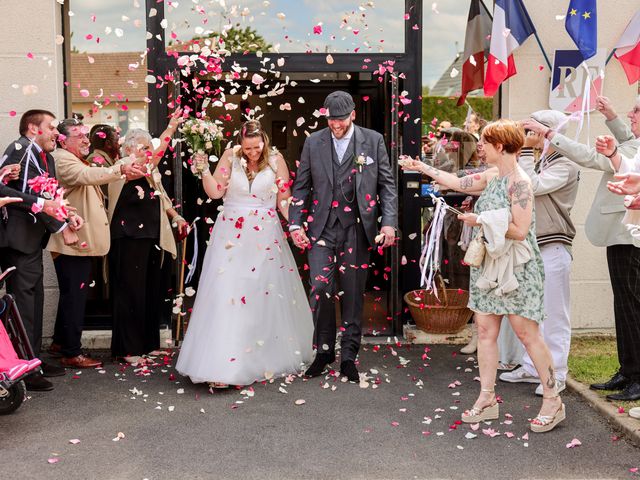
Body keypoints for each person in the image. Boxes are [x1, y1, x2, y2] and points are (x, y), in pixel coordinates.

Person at [401, 119, 565, 433]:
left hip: (517, 269)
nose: (481, 147)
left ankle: (552, 398)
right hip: (489, 267)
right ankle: (487, 398)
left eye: (486, 143)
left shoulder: (520, 184)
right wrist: (421, 166)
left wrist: (482, 220)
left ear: (501, 146)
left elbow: (519, 231)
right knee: (486, 332)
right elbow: (456, 182)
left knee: (527, 335)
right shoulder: (492, 176)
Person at [176, 120, 313, 386]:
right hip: (230, 235)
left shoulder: (275, 159)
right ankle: (224, 366)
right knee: (227, 294)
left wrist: (295, 225)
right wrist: (203, 170)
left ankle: (254, 360)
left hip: (265, 234)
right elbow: (216, 192)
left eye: (256, 147)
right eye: (247, 147)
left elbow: (283, 198)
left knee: (259, 295)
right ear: (241, 142)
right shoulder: (230, 155)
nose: (252, 152)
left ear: (264, 140)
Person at [522, 96, 640, 402]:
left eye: (636, 110)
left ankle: (637, 376)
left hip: (629, 233)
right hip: (619, 233)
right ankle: (628, 371)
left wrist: (550, 134)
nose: (631, 114)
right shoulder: (632, 142)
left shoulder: (632, 150)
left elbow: (592, 157)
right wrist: (611, 114)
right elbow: (627, 138)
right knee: (623, 303)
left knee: (631, 304)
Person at [289, 91, 398, 382]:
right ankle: (324, 352)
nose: (335, 126)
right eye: (331, 120)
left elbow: (386, 185)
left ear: (352, 115)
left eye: (340, 120)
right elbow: (301, 187)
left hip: (357, 228)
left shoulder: (372, 140)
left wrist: (388, 224)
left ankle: (349, 356)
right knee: (320, 287)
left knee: (352, 291)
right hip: (322, 226)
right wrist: (295, 224)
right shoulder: (314, 142)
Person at [47, 119, 145, 368]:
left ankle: (60, 342)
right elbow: (87, 176)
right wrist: (121, 168)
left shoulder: (73, 157)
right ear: (62, 139)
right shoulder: (62, 159)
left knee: (72, 295)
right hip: (71, 241)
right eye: (78, 136)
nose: (85, 140)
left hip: (78, 241)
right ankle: (71, 352)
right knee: (75, 298)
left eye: (85, 136)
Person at [0, 109, 83, 391]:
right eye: (51, 127)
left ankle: (32, 358)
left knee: (34, 303)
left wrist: (67, 217)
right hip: (17, 240)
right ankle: (24, 367)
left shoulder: (45, 157)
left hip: (32, 240)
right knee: (23, 306)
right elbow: (4, 191)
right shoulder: (20, 149)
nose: (56, 133)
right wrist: (57, 222)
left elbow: (50, 197)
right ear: (34, 128)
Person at [498, 110, 580, 396]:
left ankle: (557, 373)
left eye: (533, 130)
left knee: (555, 314)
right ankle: (532, 368)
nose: (527, 135)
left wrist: (525, 153)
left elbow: (530, 187)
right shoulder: (539, 160)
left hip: (554, 245)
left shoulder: (565, 164)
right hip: (532, 247)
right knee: (531, 312)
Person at [109, 120, 188, 364]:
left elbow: (161, 196)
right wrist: (170, 129)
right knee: (130, 293)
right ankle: (128, 349)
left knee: (151, 291)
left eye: (148, 148)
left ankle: (149, 343)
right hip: (129, 237)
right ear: (129, 149)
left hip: (152, 237)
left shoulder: (149, 170)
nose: (148, 153)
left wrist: (176, 217)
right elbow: (158, 155)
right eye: (143, 148)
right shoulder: (124, 167)